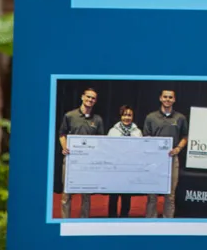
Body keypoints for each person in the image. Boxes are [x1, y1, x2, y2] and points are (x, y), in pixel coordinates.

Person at [57, 87, 105, 218]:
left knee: (86, 193)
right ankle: (65, 220)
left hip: (88, 162)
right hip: (71, 160)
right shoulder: (70, 116)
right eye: (88, 97)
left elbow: (101, 140)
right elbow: (62, 134)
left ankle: (84, 220)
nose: (90, 100)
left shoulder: (98, 120)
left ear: (95, 101)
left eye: (93, 98)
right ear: (82, 97)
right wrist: (65, 147)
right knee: (67, 192)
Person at [143, 89, 188, 218]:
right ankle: (150, 221)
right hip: (154, 160)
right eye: (165, 97)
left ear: (174, 100)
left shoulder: (180, 118)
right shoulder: (151, 117)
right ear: (160, 98)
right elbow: (146, 138)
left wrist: (178, 148)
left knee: (170, 195)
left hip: (172, 158)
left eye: (170, 97)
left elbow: (185, 136)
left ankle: (168, 222)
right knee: (152, 194)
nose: (167, 99)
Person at [107, 104, 143, 218]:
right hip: (115, 168)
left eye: (129, 115)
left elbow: (140, 150)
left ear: (133, 117)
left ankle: (124, 217)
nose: (127, 117)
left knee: (126, 196)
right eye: (124, 115)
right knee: (113, 196)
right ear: (120, 116)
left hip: (129, 169)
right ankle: (111, 218)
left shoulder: (137, 132)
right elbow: (107, 149)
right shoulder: (113, 131)